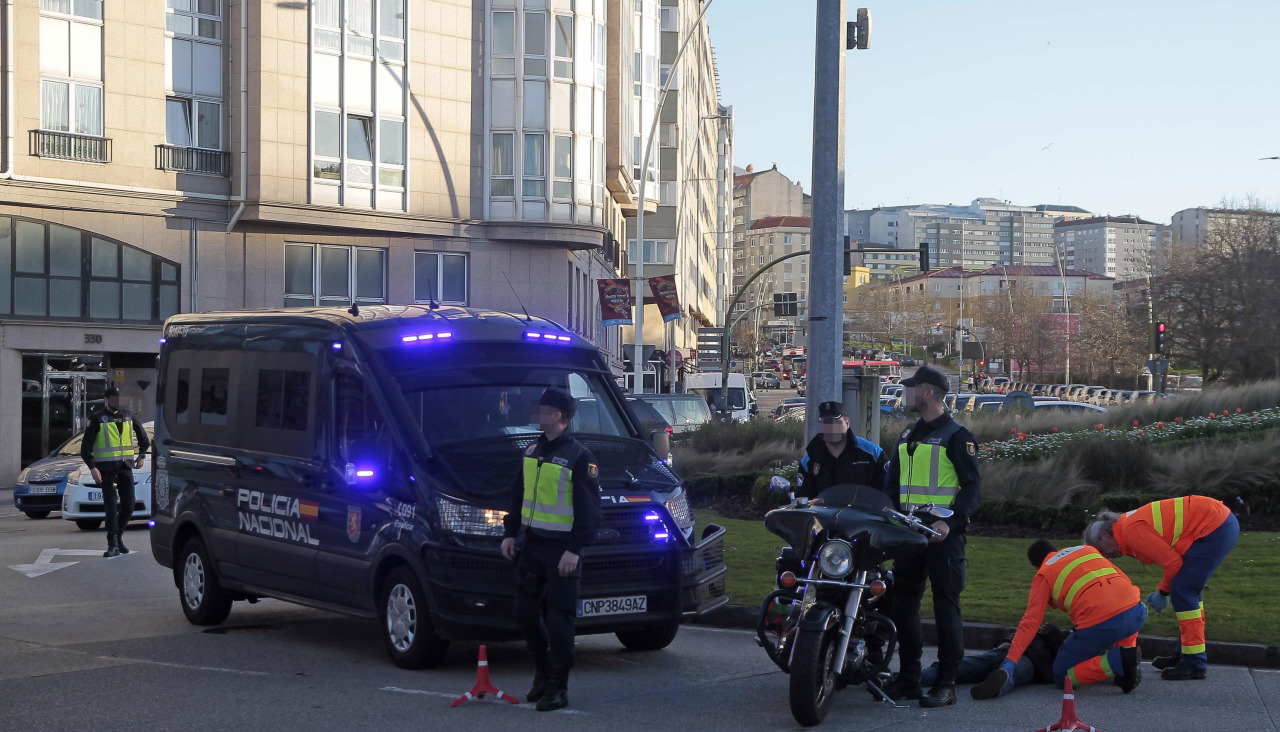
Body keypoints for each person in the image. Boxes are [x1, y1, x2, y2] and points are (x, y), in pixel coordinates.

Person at [881, 365, 981, 707]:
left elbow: (972, 489)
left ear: (928, 392)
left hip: (943, 537)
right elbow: (893, 483)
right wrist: (890, 515)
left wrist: (948, 523)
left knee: (945, 605)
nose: (905, 392)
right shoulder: (908, 433)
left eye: (911, 387)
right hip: (909, 534)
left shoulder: (957, 436)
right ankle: (909, 678)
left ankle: (946, 683)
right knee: (903, 604)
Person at [501, 387, 602, 712]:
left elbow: (589, 510)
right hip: (532, 545)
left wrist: (575, 549)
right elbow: (519, 494)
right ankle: (543, 671)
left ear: (557, 415)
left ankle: (559, 686)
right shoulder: (532, 450)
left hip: (562, 550)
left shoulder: (579, 456)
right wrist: (510, 533)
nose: (537, 413)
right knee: (524, 612)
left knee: (560, 619)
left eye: (542, 409)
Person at [1083, 495, 1239, 680]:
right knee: (1185, 591)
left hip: (1214, 527)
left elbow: (1173, 563)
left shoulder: (1130, 532)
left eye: (1101, 550)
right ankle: (1186, 654)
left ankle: (1194, 664)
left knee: (1183, 591)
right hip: (1215, 523)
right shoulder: (1126, 527)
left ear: (1105, 535)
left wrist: (1163, 592)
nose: (1106, 557)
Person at [972, 540, 1145, 700]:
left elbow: (1030, 622)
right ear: (1054, 550)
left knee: (1062, 675)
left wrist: (1010, 663)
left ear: (1035, 565)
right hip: (1136, 611)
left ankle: (1118, 661)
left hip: (1101, 623)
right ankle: (1126, 662)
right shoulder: (1087, 550)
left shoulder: (1044, 573)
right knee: (1124, 625)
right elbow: (1124, 581)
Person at [80, 386, 150, 558]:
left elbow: (144, 439)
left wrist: (141, 456)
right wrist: (93, 467)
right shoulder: (98, 419)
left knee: (129, 505)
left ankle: (119, 536)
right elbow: (85, 448)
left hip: (125, 467)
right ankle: (113, 544)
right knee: (111, 508)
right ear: (106, 400)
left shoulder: (127, 415)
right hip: (106, 470)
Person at [917, 623, 1069, 699]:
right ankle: (996, 685)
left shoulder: (1047, 630)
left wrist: (1004, 645)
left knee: (962, 667)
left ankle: (915, 677)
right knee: (1011, 674)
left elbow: (1019, 634)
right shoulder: (1068, 642)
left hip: (1012, 651)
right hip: (1031, 662)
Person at [795, 401, 887, 499]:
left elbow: (888, 491)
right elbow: (803, 500)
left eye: (836, 423)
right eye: (825, 423)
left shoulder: (873, 454)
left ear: (847, 423)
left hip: (863, 513)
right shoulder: (809, 461)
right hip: (823, 514)